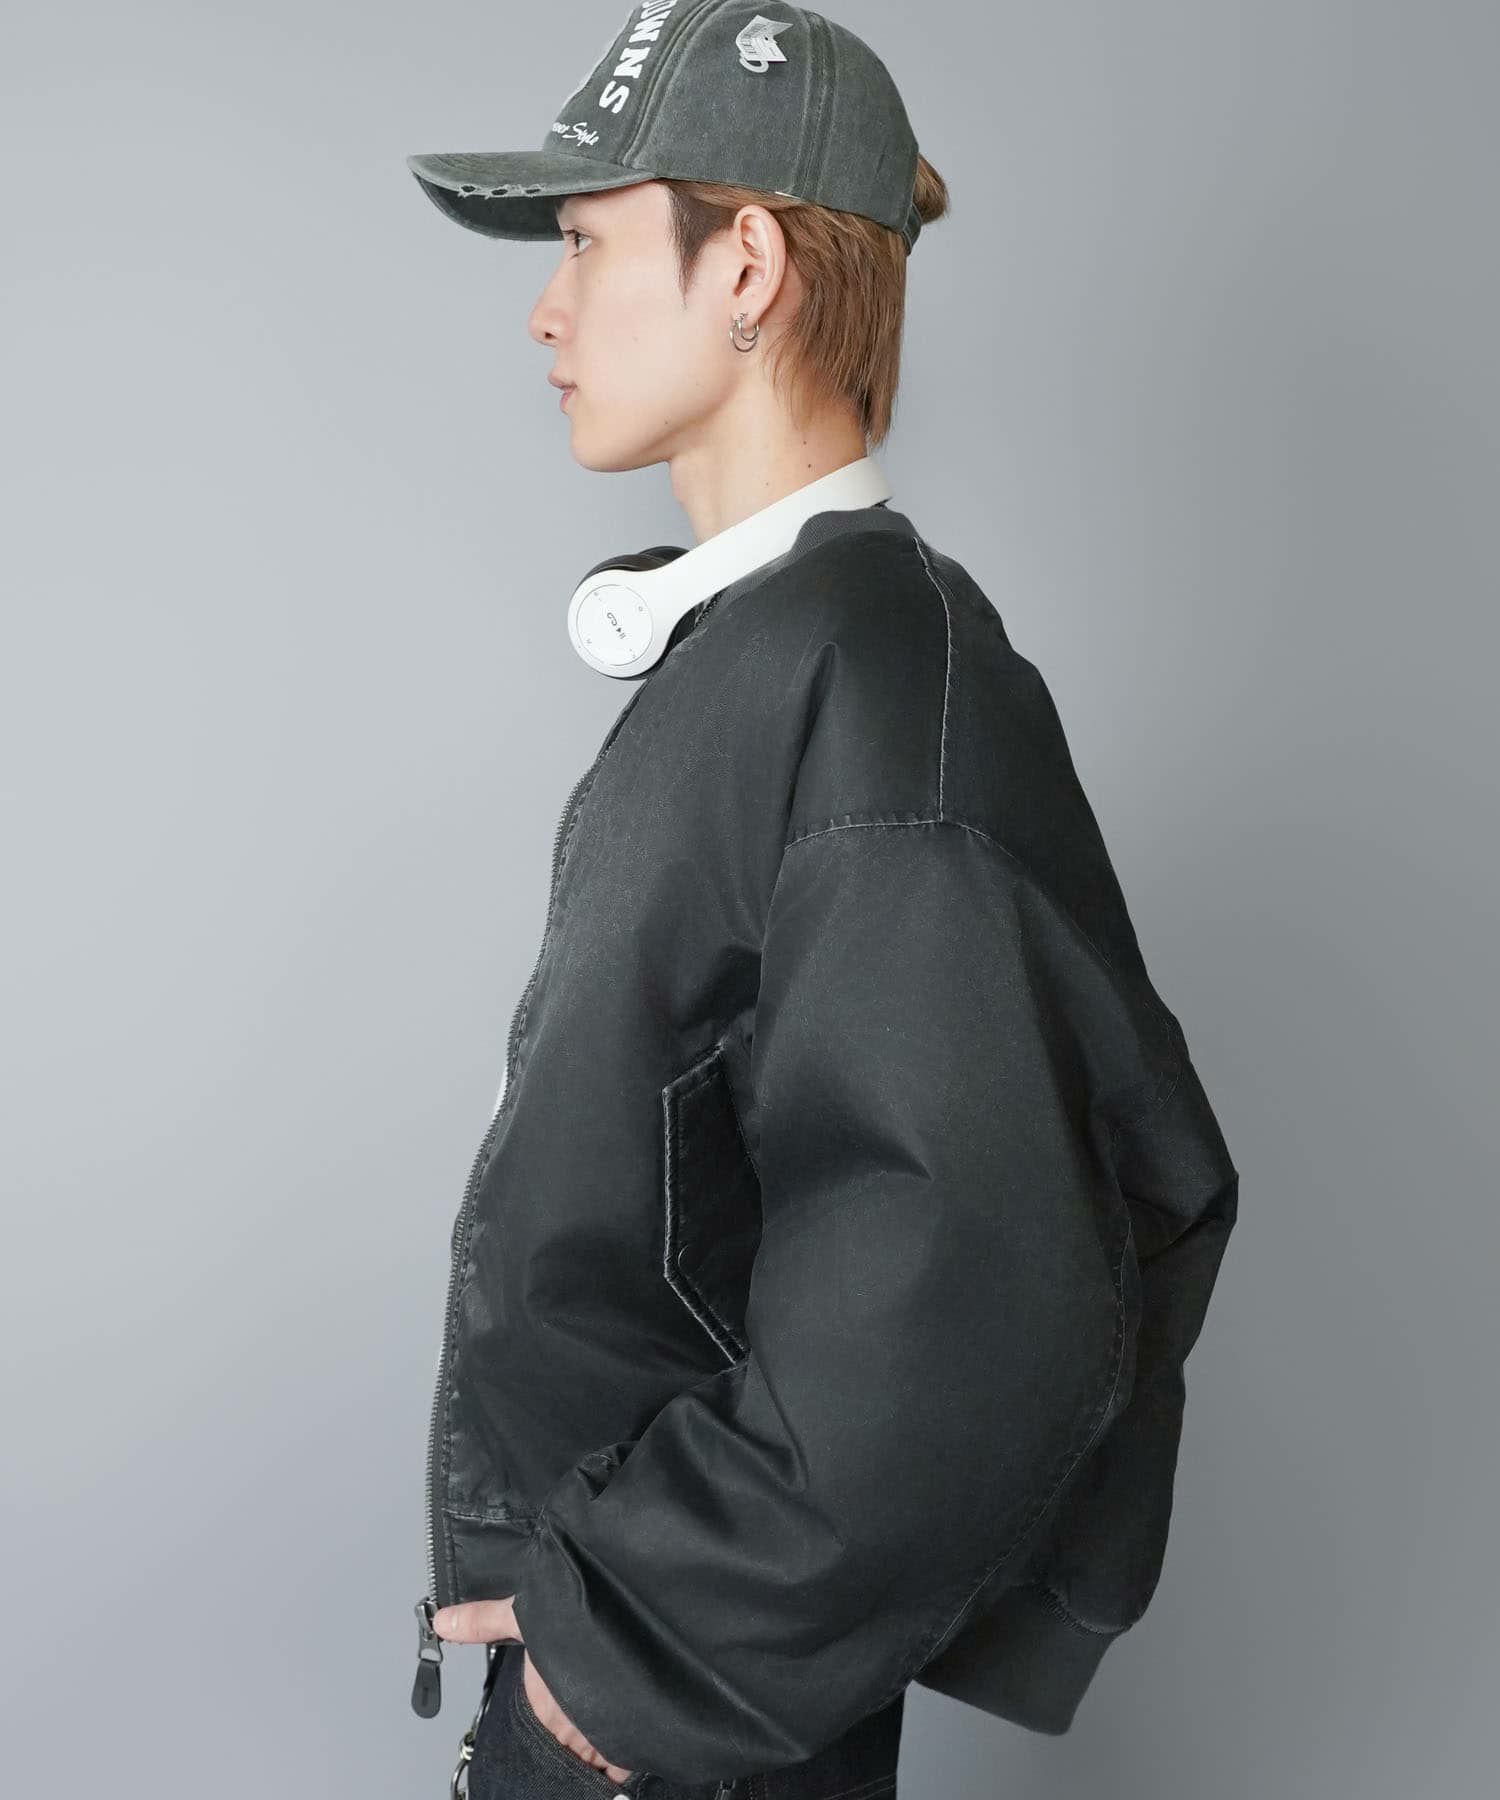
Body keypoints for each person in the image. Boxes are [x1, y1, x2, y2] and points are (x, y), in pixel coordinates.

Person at [403, 6, 1239, 1799]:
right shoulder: (766, 651)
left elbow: (978, 1294)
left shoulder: (880, 678)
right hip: (631, 1681)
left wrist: (625, 1671)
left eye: (586, 243)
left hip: (670, 1720)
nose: (546, 309)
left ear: (749, 269)